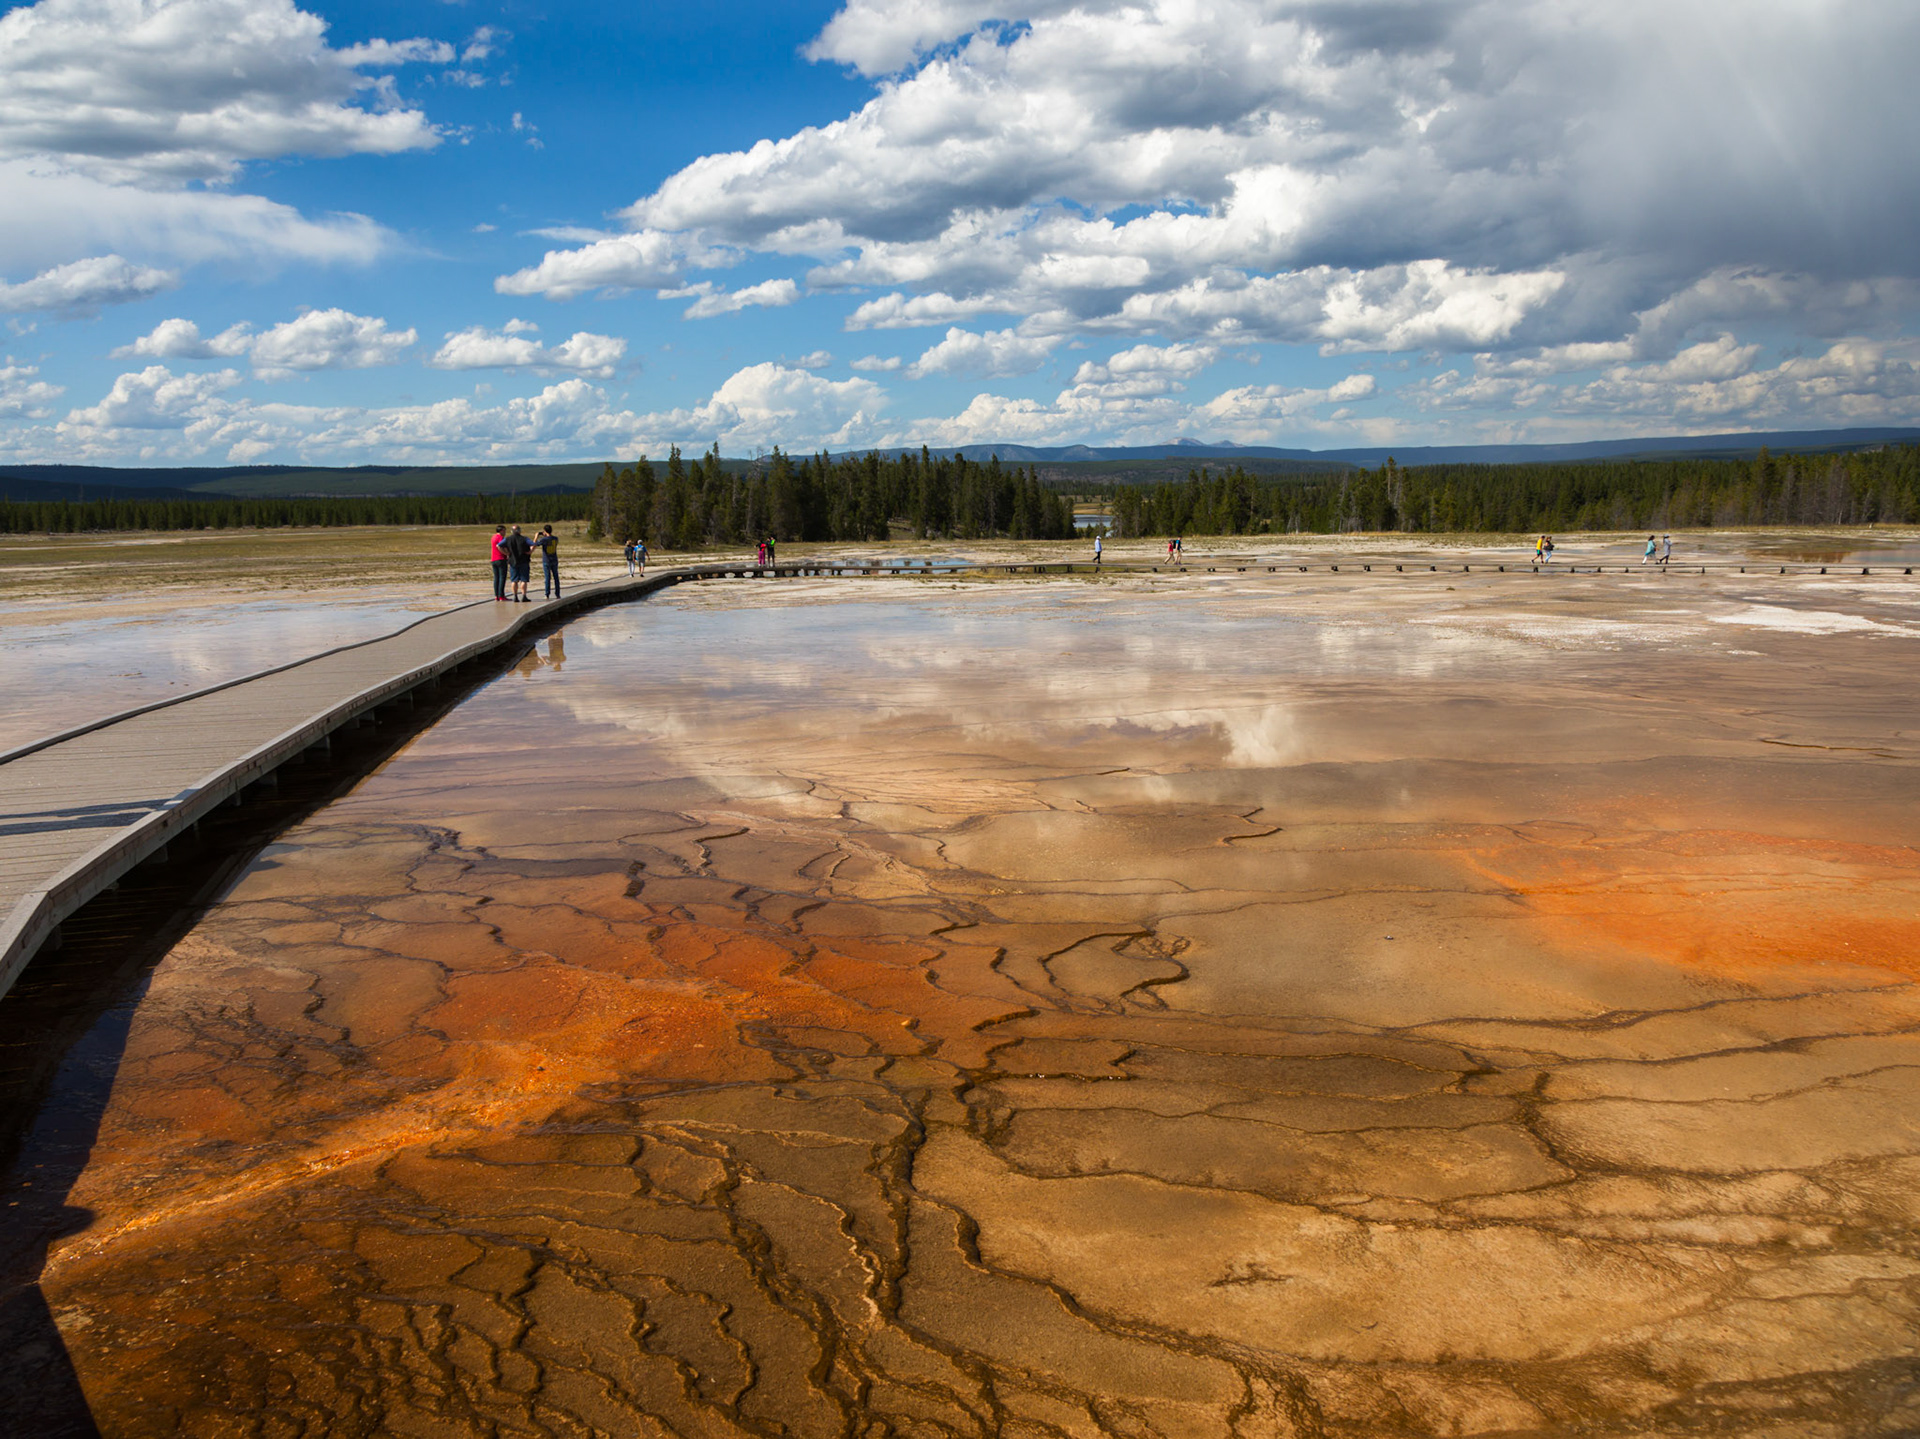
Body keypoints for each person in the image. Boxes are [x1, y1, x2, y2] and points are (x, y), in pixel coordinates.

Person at [504, 524, 532, 602]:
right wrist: (530, 551)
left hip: (513, 561)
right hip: (524, 561)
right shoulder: (525, 539)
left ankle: (515, 596)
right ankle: (524, 596)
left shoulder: (508, 539)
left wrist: (506, 553)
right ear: (519, 531)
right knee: (524, 580)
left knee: (514, 580)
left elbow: (498, 545)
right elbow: (533, 544)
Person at [538, 524, 561, 599]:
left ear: (545, 531)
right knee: (556, 577)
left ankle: (547, 594)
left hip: (546, 560)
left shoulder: (544, 540)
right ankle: (557, 594)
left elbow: (536, 544)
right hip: (554, 559)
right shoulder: (555, 538)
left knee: (547, 577)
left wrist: (536, 537)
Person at [489, 524, 508, 600]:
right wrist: (506, 553)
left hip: (493, 559)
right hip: (501, 559)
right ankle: (501, 595)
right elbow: (500, 546)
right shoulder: (500, 537)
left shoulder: (493, 537)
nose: (505, 532)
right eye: (504, 530)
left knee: (496, 578)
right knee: (502, 577)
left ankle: (496, 595)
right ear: (501, 531)